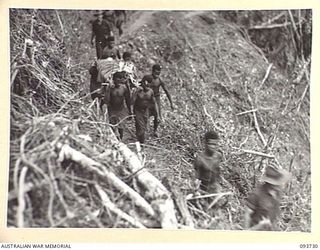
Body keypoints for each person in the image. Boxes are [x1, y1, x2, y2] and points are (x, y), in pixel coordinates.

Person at [244, 162, 290, 231]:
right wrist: (246, 232)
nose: (281, 184)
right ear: (272, 184)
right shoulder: (257, 194)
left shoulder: (277, 193)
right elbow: (247, 214)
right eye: (279, 182)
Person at [141, 64, 174, 137]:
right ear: (153, 70)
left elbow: (166, 91)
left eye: (159, 72)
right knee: (146, 114)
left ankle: (155, 131)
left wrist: (171, 103)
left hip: (156, 98)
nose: (158, 73)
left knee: (157, 115)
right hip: (148, 98)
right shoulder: (147, 78)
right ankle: (144, 130)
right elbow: (141, 85)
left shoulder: (159, 80)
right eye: (156, 71)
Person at [104, 71, 132, 140]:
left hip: (121, 109)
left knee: (121, 127)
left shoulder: (124, 88)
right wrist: (109, 89)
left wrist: (130, 111)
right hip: (112, 109)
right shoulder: (109, 88)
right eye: (118, 79)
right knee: (112, 126)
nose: (119, 81)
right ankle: (114, 140)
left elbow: (127, 99)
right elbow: (106, 100)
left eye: (121, 79)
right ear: (114, 80)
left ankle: (120, 140)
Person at [132, 75, 159, 144]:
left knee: (143, 128)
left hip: (146, 111)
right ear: (143, 83)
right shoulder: (137, 91)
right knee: (140, 127)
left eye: (149, 85)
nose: (148, 87)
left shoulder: (151, 91)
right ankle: (141, 142)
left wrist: (156, 112)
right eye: (147, 85)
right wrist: (135, 93)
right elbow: (131, 102)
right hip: (138, 110)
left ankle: (140, 142)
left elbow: (153, 102)